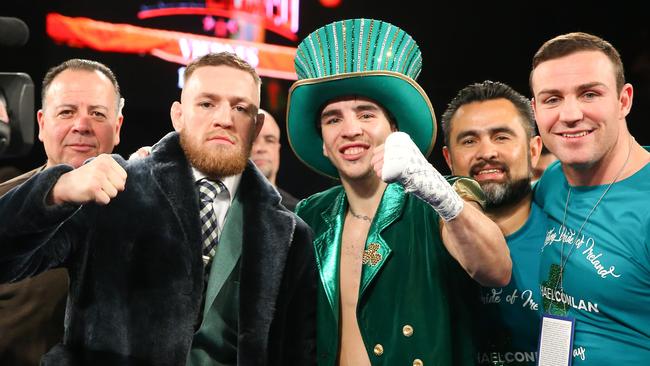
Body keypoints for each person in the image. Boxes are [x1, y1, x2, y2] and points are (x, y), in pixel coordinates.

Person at [0, 52, 316, 365]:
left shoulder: (289, 233)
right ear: (178, 115)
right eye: (207, 103)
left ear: (257, 125)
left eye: (241, 108)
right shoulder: (114, 191)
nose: (224, 118)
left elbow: (295, 353)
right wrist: (57, 190)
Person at [286, 18, 511, 366]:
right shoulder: (310, 215)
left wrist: (441, 195)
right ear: (324, 147)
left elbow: (496, 269)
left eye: (366, 114)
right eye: (333, 119)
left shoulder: (439, 200)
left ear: (394, 130)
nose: (350, 130)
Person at [530, 32, 650, 364]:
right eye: (552, 99)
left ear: (623, 100)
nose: (569, 114)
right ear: (535, 109)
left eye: (589, 94)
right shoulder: (552, 182)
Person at [0, 58, 124, 366]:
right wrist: (56, 192)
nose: (82, 125)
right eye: (67, 112)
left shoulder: (152, 211)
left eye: (97, 113)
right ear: (41, 125)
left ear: (117, 127)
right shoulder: (5, 201)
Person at [440, 80, 546, 365]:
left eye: (501, 137)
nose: (486, 152)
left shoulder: (573, 236)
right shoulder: (425, 244)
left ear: (534, 150)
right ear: (448, 159)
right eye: (469, 140)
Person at [251, 108, 299, 210]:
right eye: (252, 140)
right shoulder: (220, 207)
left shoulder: (299, 212)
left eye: (269, 140)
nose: (260, 148)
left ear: (278, 149)